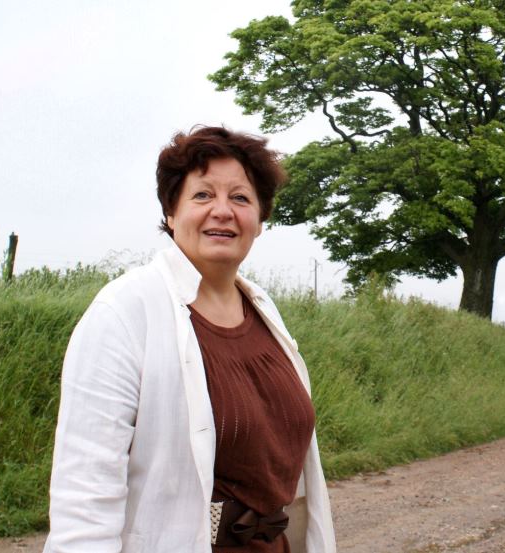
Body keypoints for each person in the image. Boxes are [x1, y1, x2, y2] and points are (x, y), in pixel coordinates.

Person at [44, 126, 337, 553]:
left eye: (240, 197)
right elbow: (86, 494)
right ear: (170, 212)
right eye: (202, 196)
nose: (223, 211)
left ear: (259, 219)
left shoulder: (263, 308)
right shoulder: (124, 312)